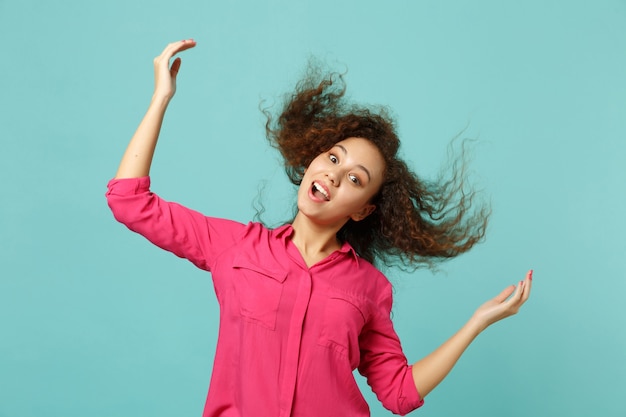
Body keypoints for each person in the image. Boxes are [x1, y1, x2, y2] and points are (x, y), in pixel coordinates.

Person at [106, 40, 532, 417]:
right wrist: (162, 97)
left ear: (364, 210)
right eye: (333, 158)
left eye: (354, 179)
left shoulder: (370, 288)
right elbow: (129, 202)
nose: (333, 174)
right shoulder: (235, 247)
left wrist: (476, 322)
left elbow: (399, 393)